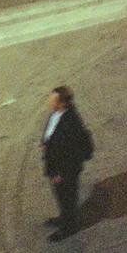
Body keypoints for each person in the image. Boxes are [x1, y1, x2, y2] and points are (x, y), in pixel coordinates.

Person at [41, 85, 93, 242]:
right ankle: (64, 217)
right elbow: (50, 133)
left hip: (64, 172)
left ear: (62, 103)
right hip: (55, 168)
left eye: (53, 99)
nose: (49, 101)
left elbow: (71, 155)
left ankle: (69, 227)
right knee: (61, 197)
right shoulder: (56, 113)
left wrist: (60, 174)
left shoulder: (71, 124)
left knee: (68, 198)